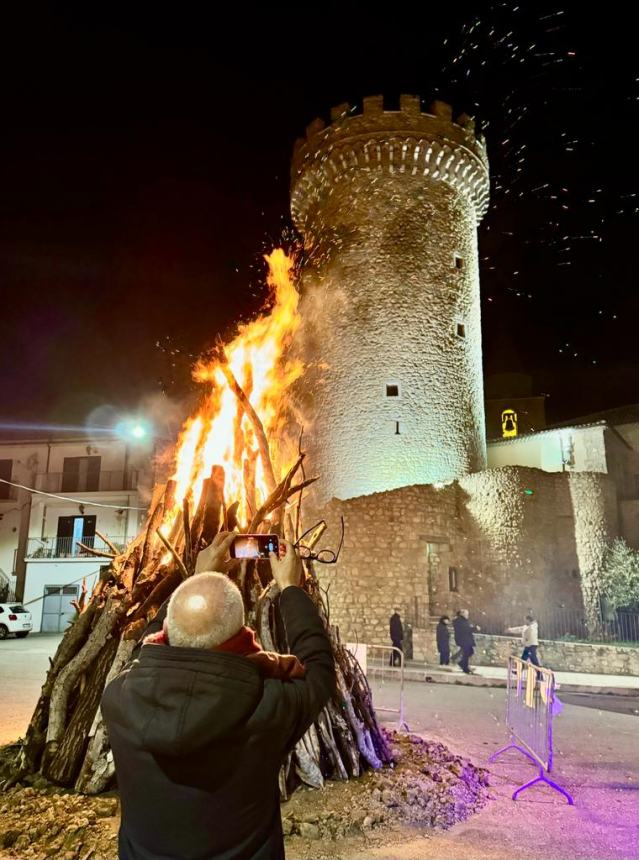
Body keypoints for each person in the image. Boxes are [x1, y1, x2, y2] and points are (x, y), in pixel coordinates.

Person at [101, 532, 335, 860]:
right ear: (242, 638)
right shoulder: (266, 708)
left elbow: (146, 650)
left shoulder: (118, 699)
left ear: (166, 634)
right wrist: (291, 587)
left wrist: (196, 580)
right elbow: (319, 669)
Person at [452, 609, 479, 674]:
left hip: (466, 639)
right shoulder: (459, 620)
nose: (468, 615)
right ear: (462, 614)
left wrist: (473, 627)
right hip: (463, 639)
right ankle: (465, 668)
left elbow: (468, 627)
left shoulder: (463, 620)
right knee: (466, 653)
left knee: (470, 652)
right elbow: (466, 629)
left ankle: (461, 663)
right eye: (466, 614)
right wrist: (475, 628)